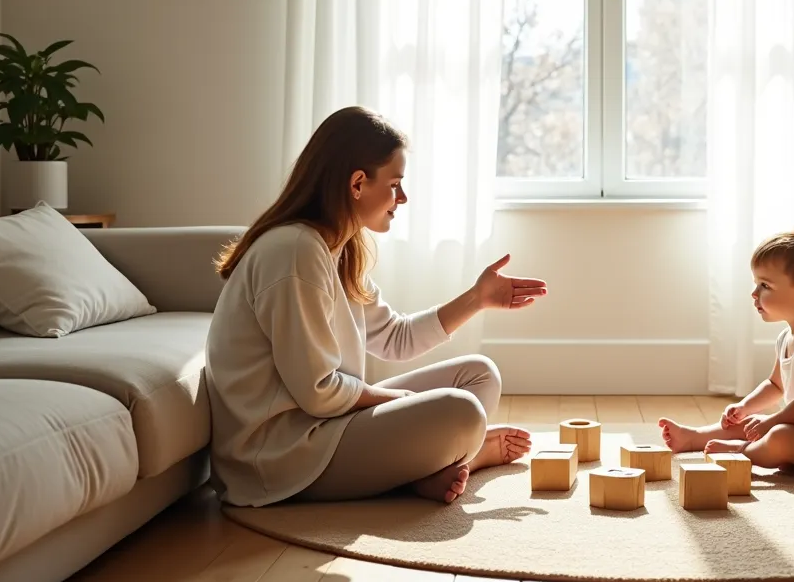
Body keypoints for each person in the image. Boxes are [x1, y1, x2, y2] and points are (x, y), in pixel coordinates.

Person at [203, 105, 547, 508]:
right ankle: (458, 457)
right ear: (358, 183)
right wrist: (401, 401)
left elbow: (395, 339)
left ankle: (435, 464)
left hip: (326, 426)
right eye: (396, 184)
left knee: (478, 376)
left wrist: (477, 299)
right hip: (282, 456)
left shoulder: (335, 248)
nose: (403, 197)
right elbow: (319, 393)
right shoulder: (295, 252)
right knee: (462, 412)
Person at [658, 220, 794, 478]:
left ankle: (743, 452)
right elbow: (776, 386)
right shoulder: (788, 337)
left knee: (778, 434)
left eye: (765, 285)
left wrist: (771, 423)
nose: (754, 293)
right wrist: (745, 408)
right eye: (756, 284)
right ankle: (693, 437)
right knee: (753, 422)